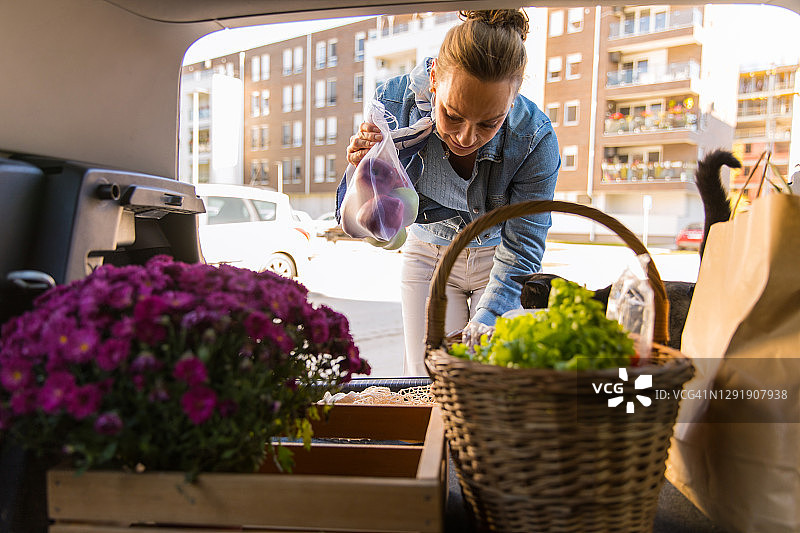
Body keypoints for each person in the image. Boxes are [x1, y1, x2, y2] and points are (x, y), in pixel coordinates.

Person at [337, 9, 560, 376]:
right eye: (452, 115)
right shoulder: (395, 105)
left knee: (486, 379)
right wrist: (366, 177)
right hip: (427, 256)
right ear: (435, 78)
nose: (466, 138)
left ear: (513, 97)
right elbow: (378, 232)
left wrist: (484, 326)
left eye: (490, 123)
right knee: (426, 382)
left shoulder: (535, 139)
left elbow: (522, 249)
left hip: (499, 259)